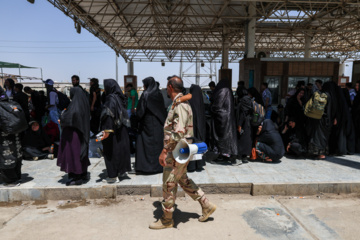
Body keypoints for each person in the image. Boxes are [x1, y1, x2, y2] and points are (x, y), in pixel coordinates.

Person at [149, 76, 216, 230]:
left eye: (167, 86)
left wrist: (165, 150)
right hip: (180, 151)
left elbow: (178, 132)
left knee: (169, 183)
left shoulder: (179, 105)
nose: (166, 89)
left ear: (170, 87)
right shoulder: (180, 103)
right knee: (182, 179)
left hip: (175, 151)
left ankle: (167, 220)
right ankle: (206, 204)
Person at [57, 87, 90, 186]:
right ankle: (83, 173)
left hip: (73, 135)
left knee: (73, 154)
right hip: (81, 133)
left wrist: (62, 119)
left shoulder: (75, 105)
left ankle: (76, 177)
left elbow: (69, 117)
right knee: (80, 153)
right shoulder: (83, 103)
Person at [100, 79, 131, 183]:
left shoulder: (110, 98)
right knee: (120, 151)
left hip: (112, 130)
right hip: (121, 130)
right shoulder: (119, 97)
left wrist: (107, 130)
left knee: (111, 151)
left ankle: (113, 176)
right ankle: (121, 171)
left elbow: (108, 114)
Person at [134, 77, 167, 174]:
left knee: (145, 146)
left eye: (144, 84)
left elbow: (140, 111)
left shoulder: (146, 94)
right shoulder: (159, 94)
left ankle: (147, 168)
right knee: (157, 145)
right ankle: (158, 166)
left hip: (147, 124)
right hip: (158, 124)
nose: (143, 86)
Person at [210, 79, 239, 165]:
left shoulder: (222, 91)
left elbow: (217, 106)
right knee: (229, 139)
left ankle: (222, 156)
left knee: (222, 139)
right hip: (228, 119)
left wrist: (211, 108)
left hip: (222, 120)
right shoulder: (228, 91)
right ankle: (230, 156)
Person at [0, 87, 24, 186]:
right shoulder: (11, 103)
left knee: (6, 157)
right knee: (16, 155)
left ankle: (11, 180)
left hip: (3, 137)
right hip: (15, 135)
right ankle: (17, 176)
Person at [187, 84, 207, 171]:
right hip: (200, 128)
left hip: (191, 128)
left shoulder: (189, 100)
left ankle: (191, 166)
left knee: (192, 145)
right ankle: (199, 164)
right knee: (199, 145)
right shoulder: (200, 100)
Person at [235, 88, 252, 163]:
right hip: (248, 123)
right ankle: (245, 157)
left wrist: (239, 125)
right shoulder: (249, 99)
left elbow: (242, 114)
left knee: (241, 140)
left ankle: (239, 158)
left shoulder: (243, 101)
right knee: (247, 140)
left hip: (243, 123)